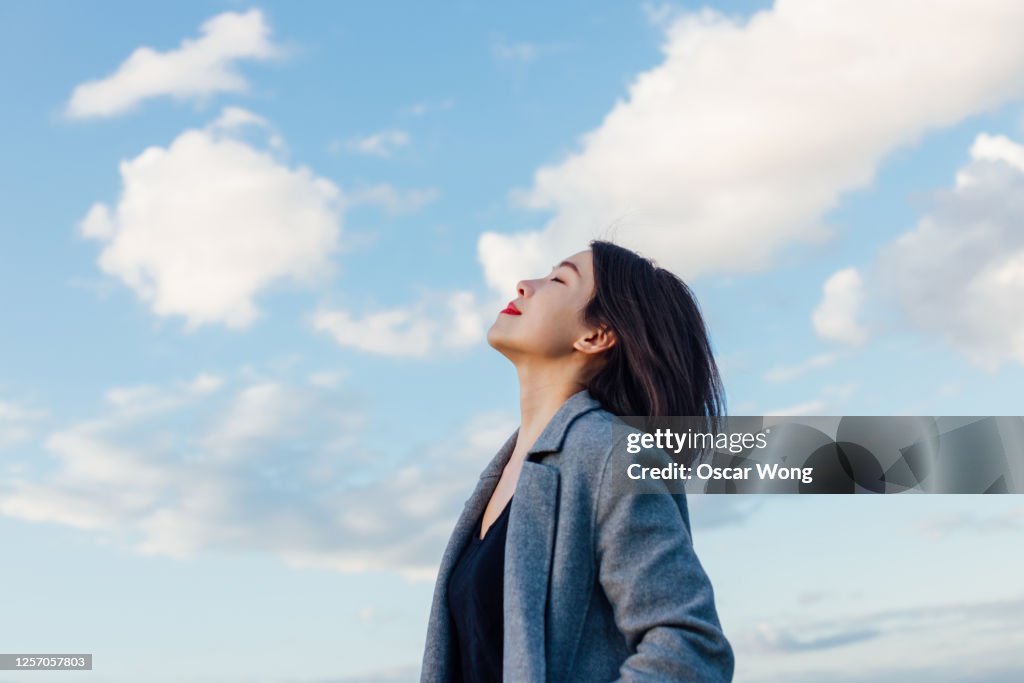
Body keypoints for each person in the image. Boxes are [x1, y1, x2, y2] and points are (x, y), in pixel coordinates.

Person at [420, 239, 735, 682]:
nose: (524, 285)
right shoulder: (503, 473)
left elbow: (690, 646)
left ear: (595, 335)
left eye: (558, 279)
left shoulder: (611, 453)